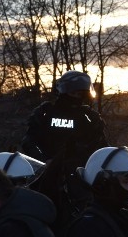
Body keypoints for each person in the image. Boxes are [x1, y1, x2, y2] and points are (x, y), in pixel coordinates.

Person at [21, 71, 109, 222]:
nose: (78, 97)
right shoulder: (45, 113)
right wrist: (44, 161)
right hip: (46, 173)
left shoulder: (90, 118)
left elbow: (101, 148)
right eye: (75, 93)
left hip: (81, 177)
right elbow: (29, 142)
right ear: (64, 92)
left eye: (82, 93)